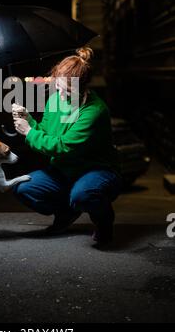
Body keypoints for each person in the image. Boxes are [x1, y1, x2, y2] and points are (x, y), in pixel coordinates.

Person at [11, 47, 123, 244]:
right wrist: (28, 118)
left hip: (96, 170)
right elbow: (45, 132)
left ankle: (104, 222)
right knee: (23, 187)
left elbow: (62, 147)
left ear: (83, 86)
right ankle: (66, 211)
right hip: (64, 169)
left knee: (84, 194)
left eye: (68, 90)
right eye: (58, 87)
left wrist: (28, 132)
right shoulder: (56, 99)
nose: (61, 94)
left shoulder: (94, 111)